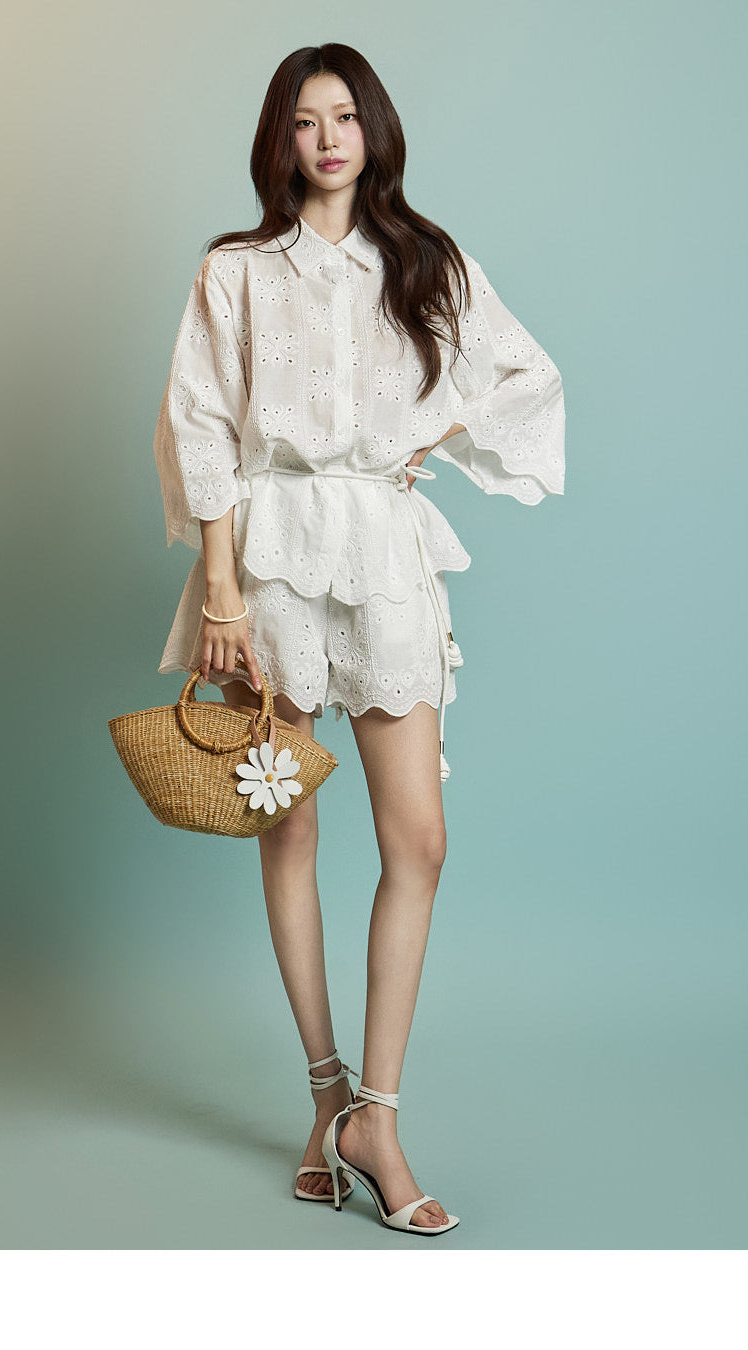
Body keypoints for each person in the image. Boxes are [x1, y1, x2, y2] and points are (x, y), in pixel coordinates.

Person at [153, 44, 565, 1234]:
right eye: (304, 120)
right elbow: (200, 424)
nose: (327, 138)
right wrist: (219, 593)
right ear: (279, 141)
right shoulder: (236, 271)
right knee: (286, 825)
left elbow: (525, 378)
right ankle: (326, 1096)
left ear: (373, 128)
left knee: (416, 839)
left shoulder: (428, 263)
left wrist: (437, 436)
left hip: (383, 554)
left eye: (344, 116)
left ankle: (375, 1117)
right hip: (268, 561)